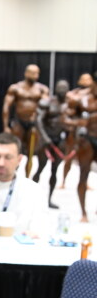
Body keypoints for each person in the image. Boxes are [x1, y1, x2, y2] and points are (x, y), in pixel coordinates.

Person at [2, 64, 50, 178]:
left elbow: (46, 106)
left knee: (31, 153)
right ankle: (12, 176)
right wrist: (6, 126)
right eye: (33, 73)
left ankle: (27, 177)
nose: (35, 75)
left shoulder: (42, 89)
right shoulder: (15, 88)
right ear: (26, 73)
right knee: (15, 150)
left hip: (34, 124)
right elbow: (6, 107)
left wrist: (39, 113)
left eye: (37, 73)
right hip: (19, 122)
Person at [66, 69, 97, 222]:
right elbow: (65, 118)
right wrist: (79, 122)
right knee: (83, 175)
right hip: (87, 140)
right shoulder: (80, 98)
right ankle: (83, 213)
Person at [35, 79, 72, 208]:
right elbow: (38, 120)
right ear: (56, 89)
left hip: (60, 140)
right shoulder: (48, 102)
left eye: (64, 88)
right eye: (60, 88)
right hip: (46, 140)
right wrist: (45, 138)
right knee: (40, 168)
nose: (62, 90)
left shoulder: (70, 105)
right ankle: (31, 197)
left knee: (54, 171)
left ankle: (49, 199)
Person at [60, 73, 94, 189]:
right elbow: (65, 116)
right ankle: (63, 181)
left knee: (86, 160)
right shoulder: (73, 95)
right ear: (79, 81)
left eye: (88, 79)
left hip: (89, 133)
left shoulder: (93, 96)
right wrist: (77, 123)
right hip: (74, 131)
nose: (86, 82)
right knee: (69, 157)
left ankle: (85, 182)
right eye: (84, 79)